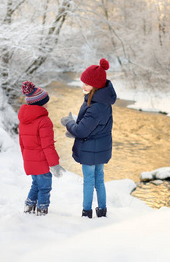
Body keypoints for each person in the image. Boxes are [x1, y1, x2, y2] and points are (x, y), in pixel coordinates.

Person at [61, 58, 116, 218]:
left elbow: (82, 131)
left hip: (90, 150)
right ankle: (102, 210)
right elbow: (93, 126)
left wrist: (69, 123)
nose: (83, 86)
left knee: (89, 181)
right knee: (99, 179)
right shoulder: (103, 101)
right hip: (101, 148)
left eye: (86, 83)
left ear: (95, 85)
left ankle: (86, 212)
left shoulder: (96, 106)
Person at [18, 81, 66, 216]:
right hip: (42, 161)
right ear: (41, 103)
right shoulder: (44, 121)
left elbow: (22, 144)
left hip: (30, 160)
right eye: (46, 102)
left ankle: (29, 206)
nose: (47, 104)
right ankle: (42, 211)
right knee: (44, 187)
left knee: (35, 184)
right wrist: (54, 164)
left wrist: (26, 159)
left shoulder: (23, 120)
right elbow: (48, 145)